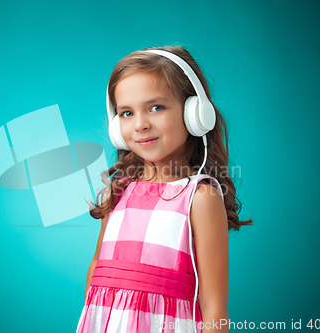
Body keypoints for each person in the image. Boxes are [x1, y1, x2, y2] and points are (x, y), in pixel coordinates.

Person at [76, 45, 253, 333]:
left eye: (156, 107)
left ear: (195, 114)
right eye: (126, 113)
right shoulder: (118, 193)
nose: (141, 124)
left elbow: (214, 308)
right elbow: (97, 269)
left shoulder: (200, 198)